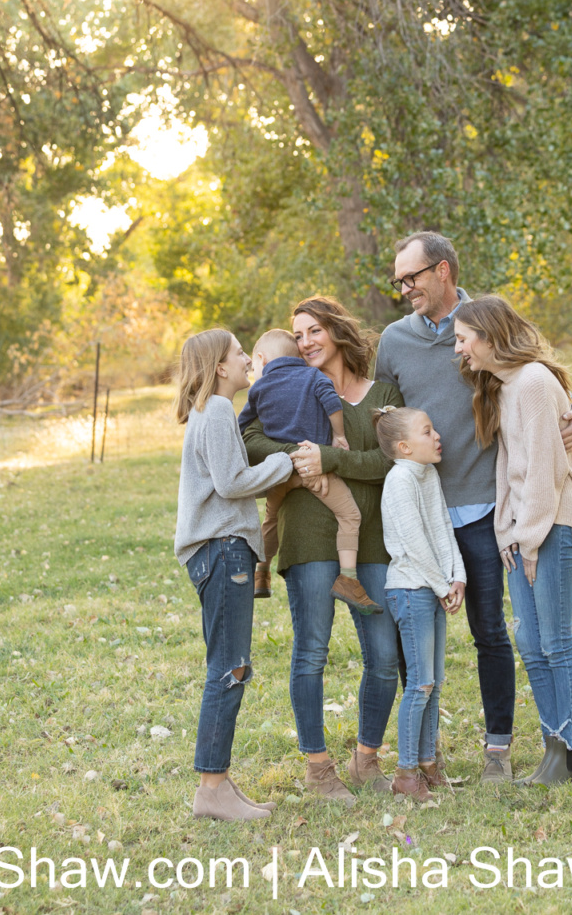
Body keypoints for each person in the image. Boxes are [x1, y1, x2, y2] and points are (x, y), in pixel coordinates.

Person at [375, 231, 572, 783]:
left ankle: (502, 749)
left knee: (494, 632)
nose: (404, 289)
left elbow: (538, 375)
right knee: (426, 637)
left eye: (411, 277)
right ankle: (423, 756)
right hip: (433, 512)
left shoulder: (484, 324)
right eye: (398, 280)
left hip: (490, 509)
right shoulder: (394, 341)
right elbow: (381, 418)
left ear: (442, 270)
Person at [243, 297, 403, 803]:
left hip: (371, 537)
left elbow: (391, 458)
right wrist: (296, 456)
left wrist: (330, 457)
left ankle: (366, 758)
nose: (307, 341)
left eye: (315, 331)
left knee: (382, 654)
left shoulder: (382, 392)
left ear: (335, 332)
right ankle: (318, 769)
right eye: (299, 334)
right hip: (308, 533)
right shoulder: (281, 388)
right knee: (311, 651)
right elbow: (248, 439)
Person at [454, 295, 572, 783]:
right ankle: (553, 745)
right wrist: (507, 535)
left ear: (489, 337)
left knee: (554, 640)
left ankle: (568, 752)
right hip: (523, 532)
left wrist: (529, 540)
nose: (459, 349)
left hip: (552, 522)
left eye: (464, 339)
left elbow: (547, 472)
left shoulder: (532, 382)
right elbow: (509, 472)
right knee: (530, 642)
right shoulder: (506, 386)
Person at [173, 329, 294, 820]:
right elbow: (231, 483)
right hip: (223, 550)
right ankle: (211, 788)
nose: (248, 359)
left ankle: (218, 783)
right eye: (240, 353)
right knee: (229, 668)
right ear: (220, 368)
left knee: (231, 665)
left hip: (218, 551)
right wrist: (287, 463)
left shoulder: (211, 412)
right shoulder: (218, 410)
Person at [238, 328, 381, 613]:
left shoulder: (258, 388)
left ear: (261, 359)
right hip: (317, 468)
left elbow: (241, 427)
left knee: (271, 517)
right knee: (350, 515)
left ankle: (261, 572)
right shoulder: (314, 376)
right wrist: (338, 436)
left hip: (283, 471)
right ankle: (349, 580)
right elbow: (331, 403)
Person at [373, 405, 467, 801]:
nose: (437, 436)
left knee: (435, 682)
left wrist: (457, 575)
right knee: (420, 684)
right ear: (404, 447)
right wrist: (440, 584)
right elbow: (413, 542)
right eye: (427, 431)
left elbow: (443, 527)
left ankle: (429, 762)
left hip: (433, 585)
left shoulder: (427, 474)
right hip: (411, 590)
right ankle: (406, 773)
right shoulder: (399, 480)